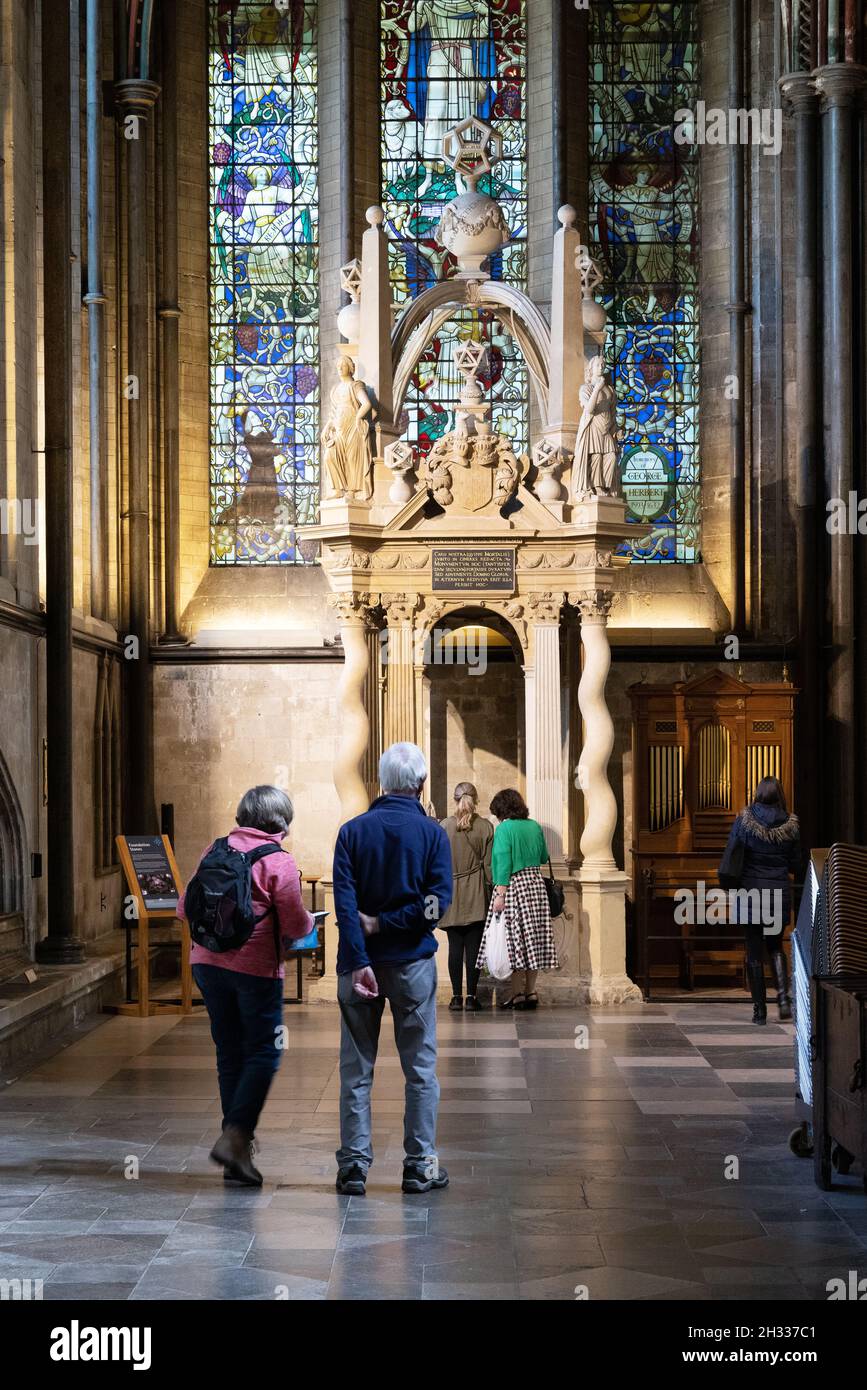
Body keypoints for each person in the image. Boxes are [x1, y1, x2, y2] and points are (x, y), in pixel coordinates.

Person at [177, 786, 314, 1186]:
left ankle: (236, 1149)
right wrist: (311, 923)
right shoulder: (278, 861)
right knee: (265, 1052)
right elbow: (294, 924)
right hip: (255, 970)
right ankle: (236, 1136)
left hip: (205, 964)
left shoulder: (214, 848)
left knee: (229, 1053)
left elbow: (185, 907)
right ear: (280, 823)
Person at [332, 742, 452, 1197]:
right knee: (420, 1069)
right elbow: (436, 903)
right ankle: (419, 1165)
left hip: (357, 968)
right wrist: (392, 923)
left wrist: (362, 954)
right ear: (421, 784)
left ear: (381, 783)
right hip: (412, 966)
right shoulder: (432, 835)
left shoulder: (352, 832)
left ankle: (353, 1168)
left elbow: (344, 903)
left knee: (355, 1069)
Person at [722, 776, 801, 1025]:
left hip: (750, 893)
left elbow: (732, 854)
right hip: (777, 893)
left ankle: (759, 1012)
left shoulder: (744, 821)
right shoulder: (791, 825)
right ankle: (783, 999)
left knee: (753, 949)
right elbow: (796, 864)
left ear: (757, 793)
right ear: (779, 795)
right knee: (776, 946)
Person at [478, 788, 559, 1010]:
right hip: (536, 887)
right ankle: (531, 992)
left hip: (514, 888)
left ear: (503, 810)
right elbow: (543, 856)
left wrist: (500, 895)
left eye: (498, 813)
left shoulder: (504, 829)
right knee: (533, 941)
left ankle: (517, 994)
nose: (497, 818)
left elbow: (503, 862)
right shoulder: (533, 826)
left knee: (513, 942)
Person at [439, 782, 493, 1012]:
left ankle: (455, 997)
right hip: (476, 892)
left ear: (454, 799)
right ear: (476, 800)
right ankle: (471, 997)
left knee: (454, 946)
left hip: (451, 891)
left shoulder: (444, 826)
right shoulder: (485, 827)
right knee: (473, 947)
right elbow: (489, 866)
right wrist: (492, 890)